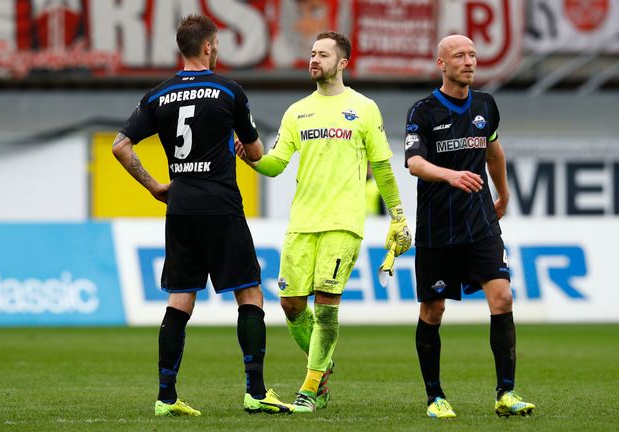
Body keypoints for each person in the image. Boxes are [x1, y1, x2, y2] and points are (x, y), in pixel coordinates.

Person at [112, 14, 292, 417]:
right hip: (221, 206)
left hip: (180, 208)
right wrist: (243, 148)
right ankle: (256, 391)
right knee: (249, 292)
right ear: (209, 47)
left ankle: (165, 397)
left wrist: (156, 186)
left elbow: (120, 146)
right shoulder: (229, 90)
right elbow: (258, 153)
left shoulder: (159, 94)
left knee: (180, 299)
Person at [236, 31, 412, 414]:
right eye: (312, 54)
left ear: (343, 62)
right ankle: (324, 362)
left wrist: (398, 215)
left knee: (328, 305)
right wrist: (250, 158)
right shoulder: (296, 111)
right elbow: (276, 164)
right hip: (302, 222)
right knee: (291, 304)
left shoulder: (364, 108)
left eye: (323, 55)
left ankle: (311, 387)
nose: (314, 60)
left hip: (343, 222)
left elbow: (382, 167)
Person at [403, 35, 536, 419]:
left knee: (503, 298)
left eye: (473, 55)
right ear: (441, 63)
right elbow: (415, 164)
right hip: (437, 229)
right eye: (460, 55)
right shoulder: (423, 111)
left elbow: (493, 150)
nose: (469, 61)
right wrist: (451, 176)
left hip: (480, 224)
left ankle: (506, 394)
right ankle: (435, 397)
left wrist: (504, 194)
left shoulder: (485, 105)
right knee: (433, 310)